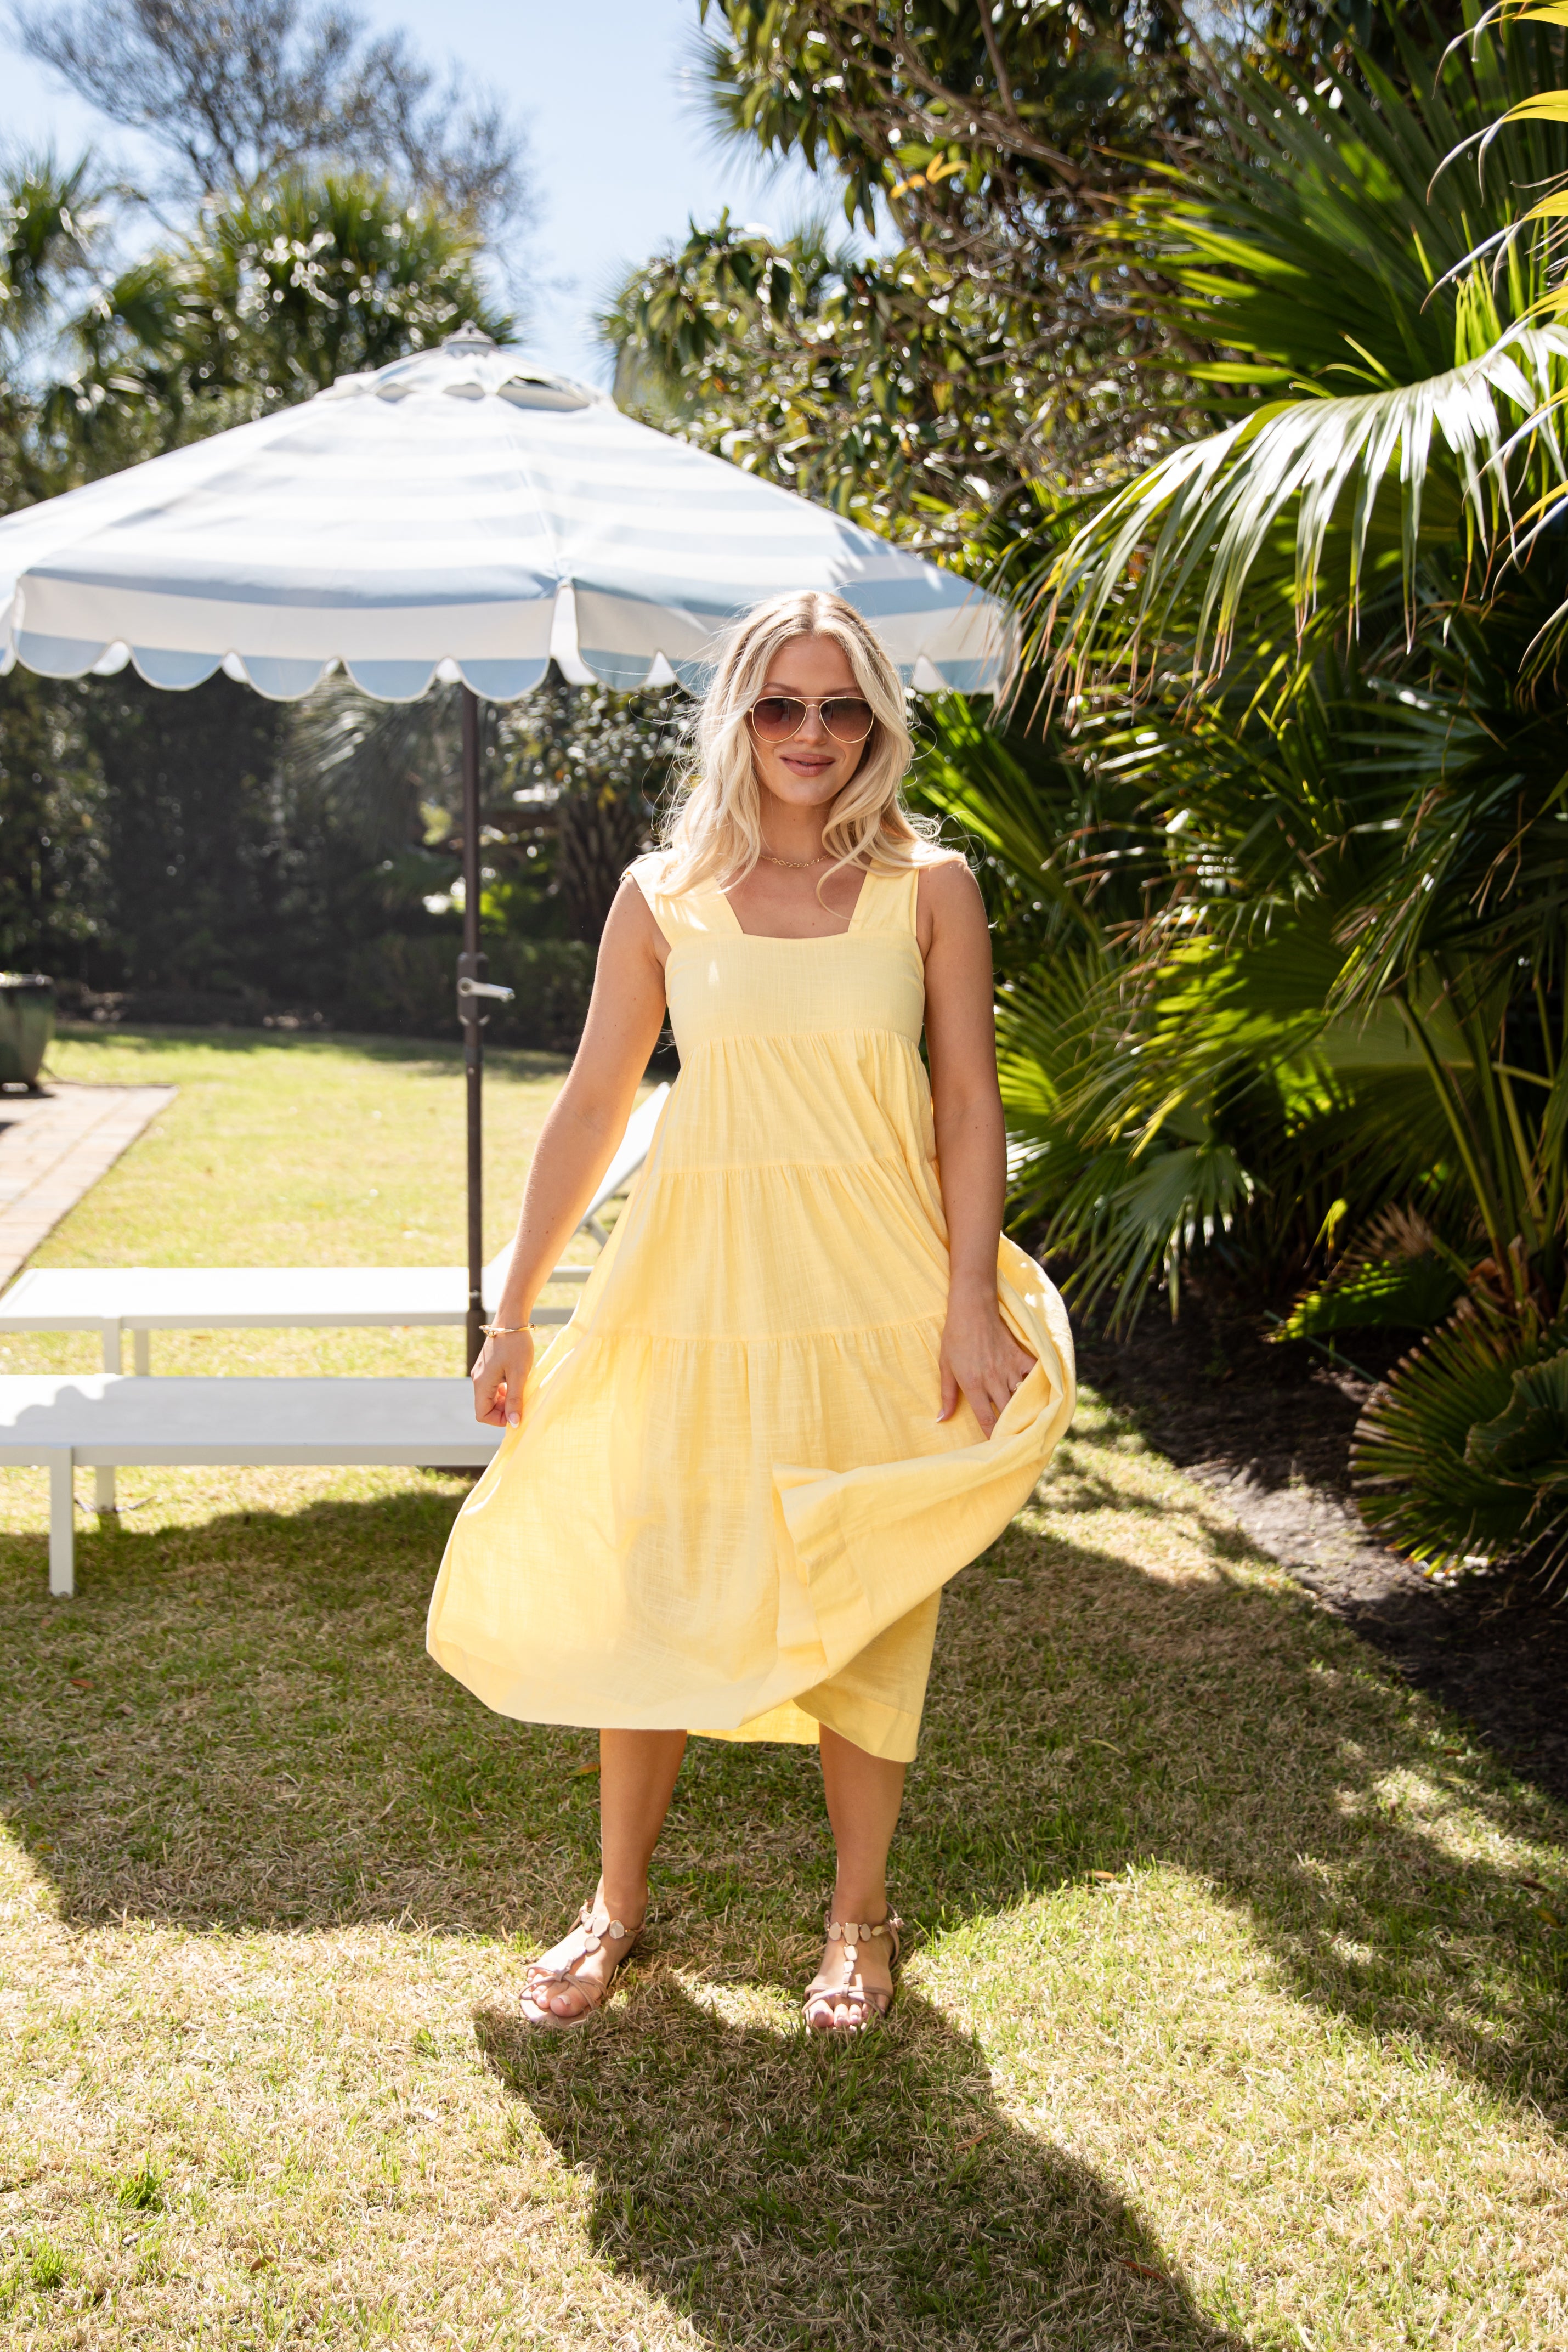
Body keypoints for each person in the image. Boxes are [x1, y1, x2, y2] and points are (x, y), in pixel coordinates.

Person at [426, 589, 1074, 2034]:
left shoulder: (934, 887)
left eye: (840, 706)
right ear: (734, 714)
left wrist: (969, 1301)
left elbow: (967, 1104)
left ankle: (857, 1921)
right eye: (779, 704)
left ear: (876, 726)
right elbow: (596, 1102)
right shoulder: (663, 894)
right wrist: (513, 1307)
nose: (810, 733)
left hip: (876, 1290)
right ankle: (613, 1908)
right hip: (694, 1289)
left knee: (863, 1592)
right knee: (652, 1579)